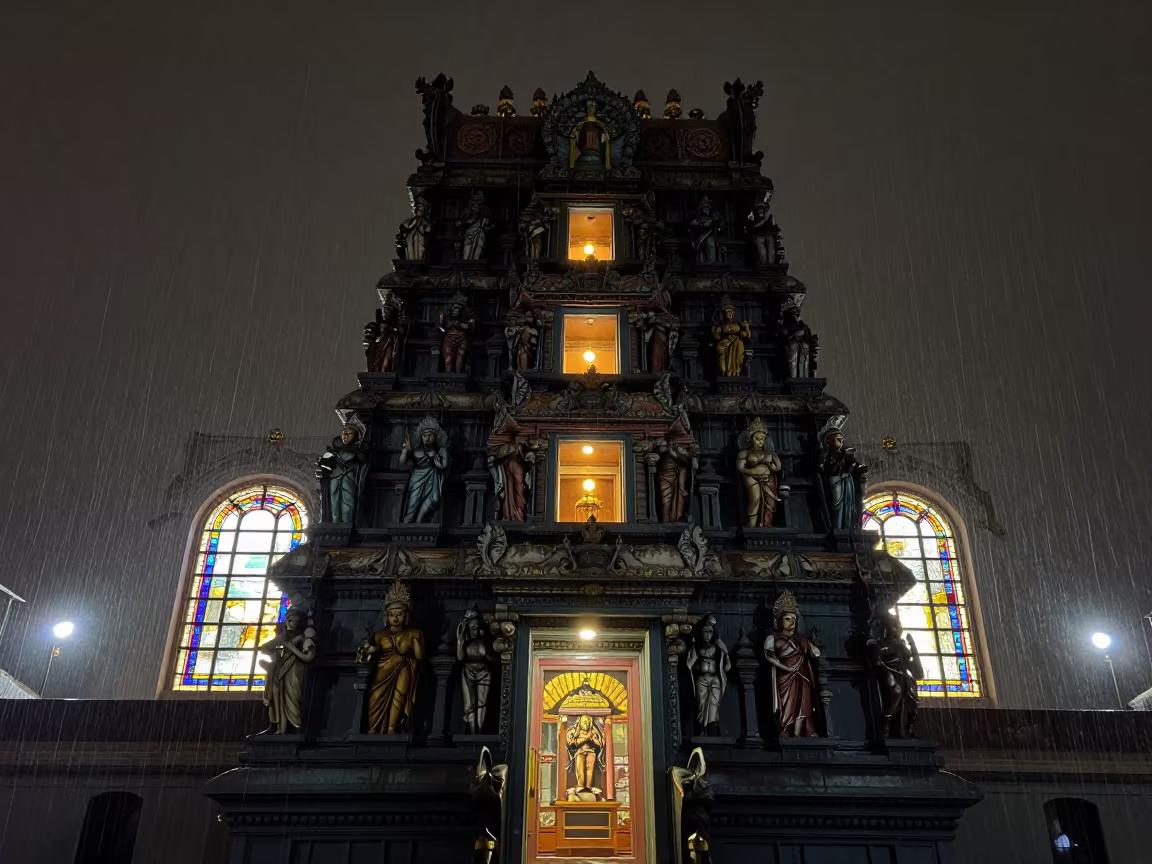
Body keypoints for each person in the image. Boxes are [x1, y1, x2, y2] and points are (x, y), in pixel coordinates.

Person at [360, 581, 425, 734]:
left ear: (406, 615)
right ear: (386, 616)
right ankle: (374, 727)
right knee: (375, 697)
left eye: (399, 614)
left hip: (404, 668)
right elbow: (370, 653)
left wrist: (416, 639)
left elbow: (419, 656)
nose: (395, 618)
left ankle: (391, 727)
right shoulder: (380, 634)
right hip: (383, 671)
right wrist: (370, 644)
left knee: (400, 695)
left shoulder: (413, 633)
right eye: (391, 614)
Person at [763, 590, 821, 738]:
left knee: (804, 704)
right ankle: (786, 730)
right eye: (788, 619)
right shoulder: (773, 638)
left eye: (794, 619)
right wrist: (786, 668)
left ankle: (797, 732)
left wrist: (810, 642)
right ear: (778, 621)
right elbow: (770, 656)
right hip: (785, 676)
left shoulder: (801, 639)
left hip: (802, 674)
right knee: (787, 705)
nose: (792, 622)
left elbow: (816, 653)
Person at [258, 605, 316, 734]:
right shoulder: (284, 636)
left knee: (294, 696)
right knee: (278, 695)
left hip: (297, 670)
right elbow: (264, 648)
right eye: (287, 619)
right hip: (282, 669)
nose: (288, 622)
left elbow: (308, 657)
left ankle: (296, 727)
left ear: (300, 622)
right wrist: (276, 654)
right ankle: (278, 727)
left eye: (292, 620)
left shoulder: (304, 637)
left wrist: (291, 647)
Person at [869, 611, 923, 739]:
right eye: (893, 625)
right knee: (896, 692)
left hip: (903, 673)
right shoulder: (881, 643)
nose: (897, 628)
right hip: (889, 670)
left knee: (912, 697)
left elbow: (912, 663)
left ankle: (908, 728)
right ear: (885, 628)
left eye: (898, 625)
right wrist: (882, 655)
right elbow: (877, 658)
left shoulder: (903, 643)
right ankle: (886, 724)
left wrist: (913, 645)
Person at [317, 421, 369, 523]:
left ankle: (347, 525)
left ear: (355, 437)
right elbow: (324, 466)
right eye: (344, 433)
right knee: (334, 506)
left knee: (348, 506)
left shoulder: (358, 452)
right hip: (335, 479)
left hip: (349, 479)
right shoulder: (334, 451)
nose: (345, 436)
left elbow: (364, 461)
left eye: (349, 434)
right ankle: (336, 526)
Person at [687, 615, 730, 736]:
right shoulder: (697, 647)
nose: (707, 635)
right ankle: (701, 730)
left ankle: (713, 730)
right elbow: (690, 662)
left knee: (714, 705)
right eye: (705, 631)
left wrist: (726, 662)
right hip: (702, 679)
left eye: (709, 632)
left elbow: (727, 661)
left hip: (715, 679)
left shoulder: (718, 648)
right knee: (701, 705)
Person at [400, 416, 449, 523]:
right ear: (420, 436)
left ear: (436, 437)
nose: (427, 438)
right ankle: (408, 520)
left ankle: (420, 520)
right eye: (424, 435)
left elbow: (444, 466)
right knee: (413, 501)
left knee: (431, 499)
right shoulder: (416, 449)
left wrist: (436, 457)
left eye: (430, 435)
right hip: (417, 477)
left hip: (432, 475)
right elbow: (403, 462)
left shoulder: (440, 450)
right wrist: (405, 450)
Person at [736, 417, 781, 528]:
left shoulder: (768, 452)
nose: (760, 441)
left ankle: (766, 523)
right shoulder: (744, 452)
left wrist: (771, 465)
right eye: (757, 438)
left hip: (767, 479)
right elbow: (740, 468)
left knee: (769, 501)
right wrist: (753, 472)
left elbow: (778, 466)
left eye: (763, 438)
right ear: (751, 439)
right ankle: (752, 523)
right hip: (751, 478)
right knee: (755, 499)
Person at [457, 608, 496, 734]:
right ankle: (472, 731)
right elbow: (460, 657)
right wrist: (459, 641)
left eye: (476, 628)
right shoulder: (466, 643)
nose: (474, 630)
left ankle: (479, 731)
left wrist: (486, 640)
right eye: (472, 627)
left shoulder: (484, 643)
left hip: (484, 673)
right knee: (469, 704)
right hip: (468, 672)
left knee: (481, 703)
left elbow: (491, 657)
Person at [565, 714, 605, 794]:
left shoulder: (593, 731)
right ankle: (580, 786)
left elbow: (600, 744)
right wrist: (586, 738)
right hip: (580, 752)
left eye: (587, 722)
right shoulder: (575, 731)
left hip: (591, 752)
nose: (586, 724)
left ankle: (588, 786)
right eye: (584, 722)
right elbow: (572, 744)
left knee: (590, 770)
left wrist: (593, 740)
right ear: (580, 722)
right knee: (580, 769)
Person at [711, 304, 750, 377]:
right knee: (723, 363)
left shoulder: (738, 324)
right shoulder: (721, 325)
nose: (730, 313)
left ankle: (736, 371)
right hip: (724, 344)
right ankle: (724, 372)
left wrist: (746, 326)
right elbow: (717, 337)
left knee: (738, 357)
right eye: (728, 312)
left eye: (731, 312)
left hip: (737, 343)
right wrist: (715, 332)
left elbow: (746, 334)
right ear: (724, 314)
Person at [438, 296, 474, 373]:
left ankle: (458, 375)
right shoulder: (446, 317)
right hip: (448, 339)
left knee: (459, 361)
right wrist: (443, 329)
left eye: (458, 309)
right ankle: (448, 375)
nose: (455, 311)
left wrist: (460, 325)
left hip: (462, 339)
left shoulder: (467, 318)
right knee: (448, 360)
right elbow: (441, 327)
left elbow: (470, 326)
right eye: (454, 309)